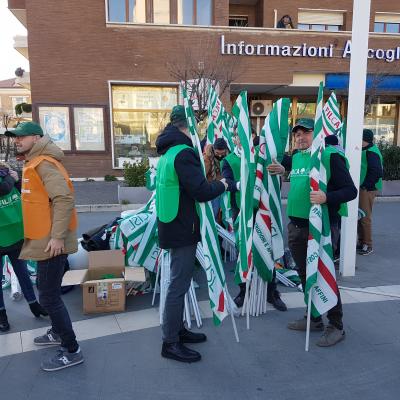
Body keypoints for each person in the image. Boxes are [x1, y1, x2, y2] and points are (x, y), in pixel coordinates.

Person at [268, 118, 357, 347]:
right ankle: (314, 318)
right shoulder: (297, 156)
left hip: (320, 230)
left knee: (324, 274)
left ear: (317, 134)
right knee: (305, 276)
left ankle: (336, 325)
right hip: (296, 228)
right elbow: (292, 166)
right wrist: (282, 168)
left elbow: (350, 190)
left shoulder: (329, 156)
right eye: (296, 133)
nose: (300, 137)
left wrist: (327, 197)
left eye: (305, 133)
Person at [5, 122, 82, 371]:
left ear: (36, 137)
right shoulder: (33, 163)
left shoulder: (45, 163)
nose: (17, 140)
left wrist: (58, 237)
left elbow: (64, 198)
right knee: (48, 292)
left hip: (51, 242)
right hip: (43, 239)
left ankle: (72, 349)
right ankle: (58, 333)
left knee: (48, 297)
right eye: (15, 138)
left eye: (21, 137)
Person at [156, 105, 228, 363]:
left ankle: (177, 331)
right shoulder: (183, 152)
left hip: (173, 224)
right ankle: (170, 342)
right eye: (197, 125)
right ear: (189, 126)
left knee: (180, 282)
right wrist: (224, 184)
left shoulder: (167, 151)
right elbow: (200, 191)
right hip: (182, 227)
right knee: (178, 284)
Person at [222, 136, 287, 312]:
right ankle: (244, 291)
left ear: (251, 138)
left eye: (245, 136)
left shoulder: (262, 155)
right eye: (237, 136)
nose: (240, 139)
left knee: (268, 247)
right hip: (241, 210)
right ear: (234, 139)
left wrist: (280, 171)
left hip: (263, 208)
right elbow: (226, 182)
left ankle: (272, 292)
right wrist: (241, 184)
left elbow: (275, 177)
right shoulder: (229, 160)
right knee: (244, 249)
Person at [0, 161, 47, 332]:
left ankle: (34, 305)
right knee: (20, 272)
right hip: (11, 233)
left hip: (15, 234)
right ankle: (2, 315)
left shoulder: (6, 172)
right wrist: (11, 179)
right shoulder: (6, 175)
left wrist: (17, 180)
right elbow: (4, 189)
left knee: (23, 273)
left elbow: (23, 194)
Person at [357, 129, 383, 256]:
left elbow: (376, 171)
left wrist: (365, 186)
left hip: (367, 189)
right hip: (364, 187)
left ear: (365, 140)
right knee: (360, 216)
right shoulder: (366, 150)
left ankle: (368, 244)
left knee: (364, 217)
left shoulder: (371, 152)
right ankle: (362, 242)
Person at [204, 138, 229, 218]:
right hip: (212, 189)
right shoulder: (207, 159)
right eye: (217, 153)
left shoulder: (228, 157)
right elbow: (202, 175)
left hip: (225, 189)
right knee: (213, 212)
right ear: (213, 150)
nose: (220, 155)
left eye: (222, 153)